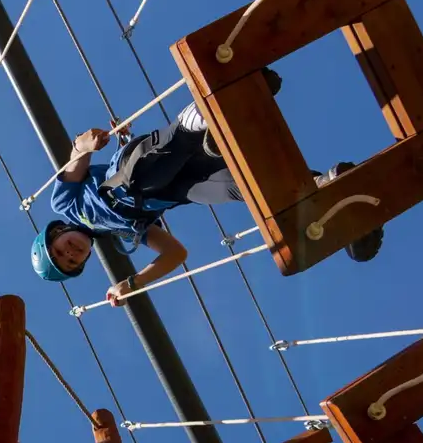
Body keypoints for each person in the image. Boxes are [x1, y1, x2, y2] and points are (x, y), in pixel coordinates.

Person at [30, 68, 380, 303]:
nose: (70, 252)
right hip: (177, 188)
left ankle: (201, 118)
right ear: (84, 261)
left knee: (147, 175)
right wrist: (133, 284)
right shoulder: (128, 236)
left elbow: (75, 164)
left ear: (56, 234)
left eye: (59, 250)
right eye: (71, 262)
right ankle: (328, 188)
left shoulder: (67, 207)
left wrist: (83, 146)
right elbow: (176, 254)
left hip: (135, 172)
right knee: (237, 189)